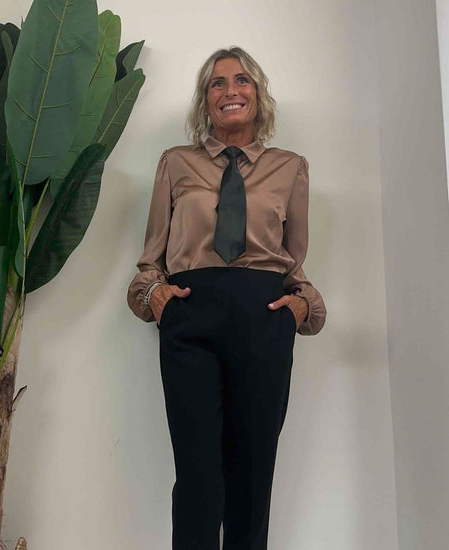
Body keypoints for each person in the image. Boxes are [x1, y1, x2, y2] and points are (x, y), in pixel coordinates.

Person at [127, 46, 327, 550]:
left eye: (241, 80)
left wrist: (301, 305)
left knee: (253, 476)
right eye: (217, 83)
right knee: (197, 479)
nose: (230, 90)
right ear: (205, 99)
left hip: (264, 320)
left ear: (258, 94)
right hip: (190, 319)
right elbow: (151, 258)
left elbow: (294, 260)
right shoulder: (176, 163)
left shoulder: (290, 168)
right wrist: (157, 296)